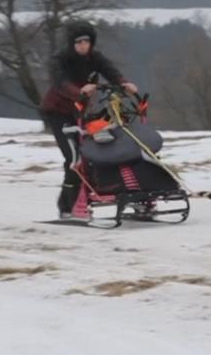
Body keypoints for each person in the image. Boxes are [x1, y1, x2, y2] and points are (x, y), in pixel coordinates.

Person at [39, 20, 138, 220]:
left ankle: (111, 191)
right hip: (58, 112)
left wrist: (124, 83)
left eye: (87, 41)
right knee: (74, 158)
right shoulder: (60, 60)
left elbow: (110, 71)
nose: (83, 45)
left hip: (80, 112)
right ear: (72, 44)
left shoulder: (95, 57)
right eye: (79, 42)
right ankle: (67, 206)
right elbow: (61, 84)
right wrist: (79, 92)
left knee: (97, 152)